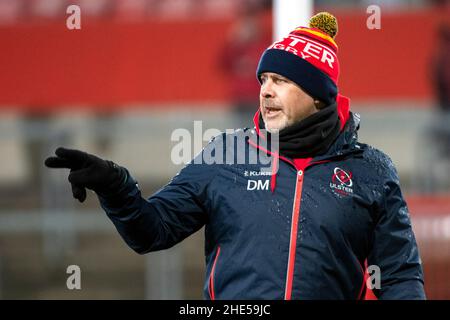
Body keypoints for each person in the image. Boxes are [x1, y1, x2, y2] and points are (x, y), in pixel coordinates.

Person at [45, 12, 425, 300]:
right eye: (264, 80)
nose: (266, 91)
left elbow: (400, 276)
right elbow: (152, 231)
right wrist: (115, 185)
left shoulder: (370, 170)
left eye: (281, 81)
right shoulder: (225, 155)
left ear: (317, 95)